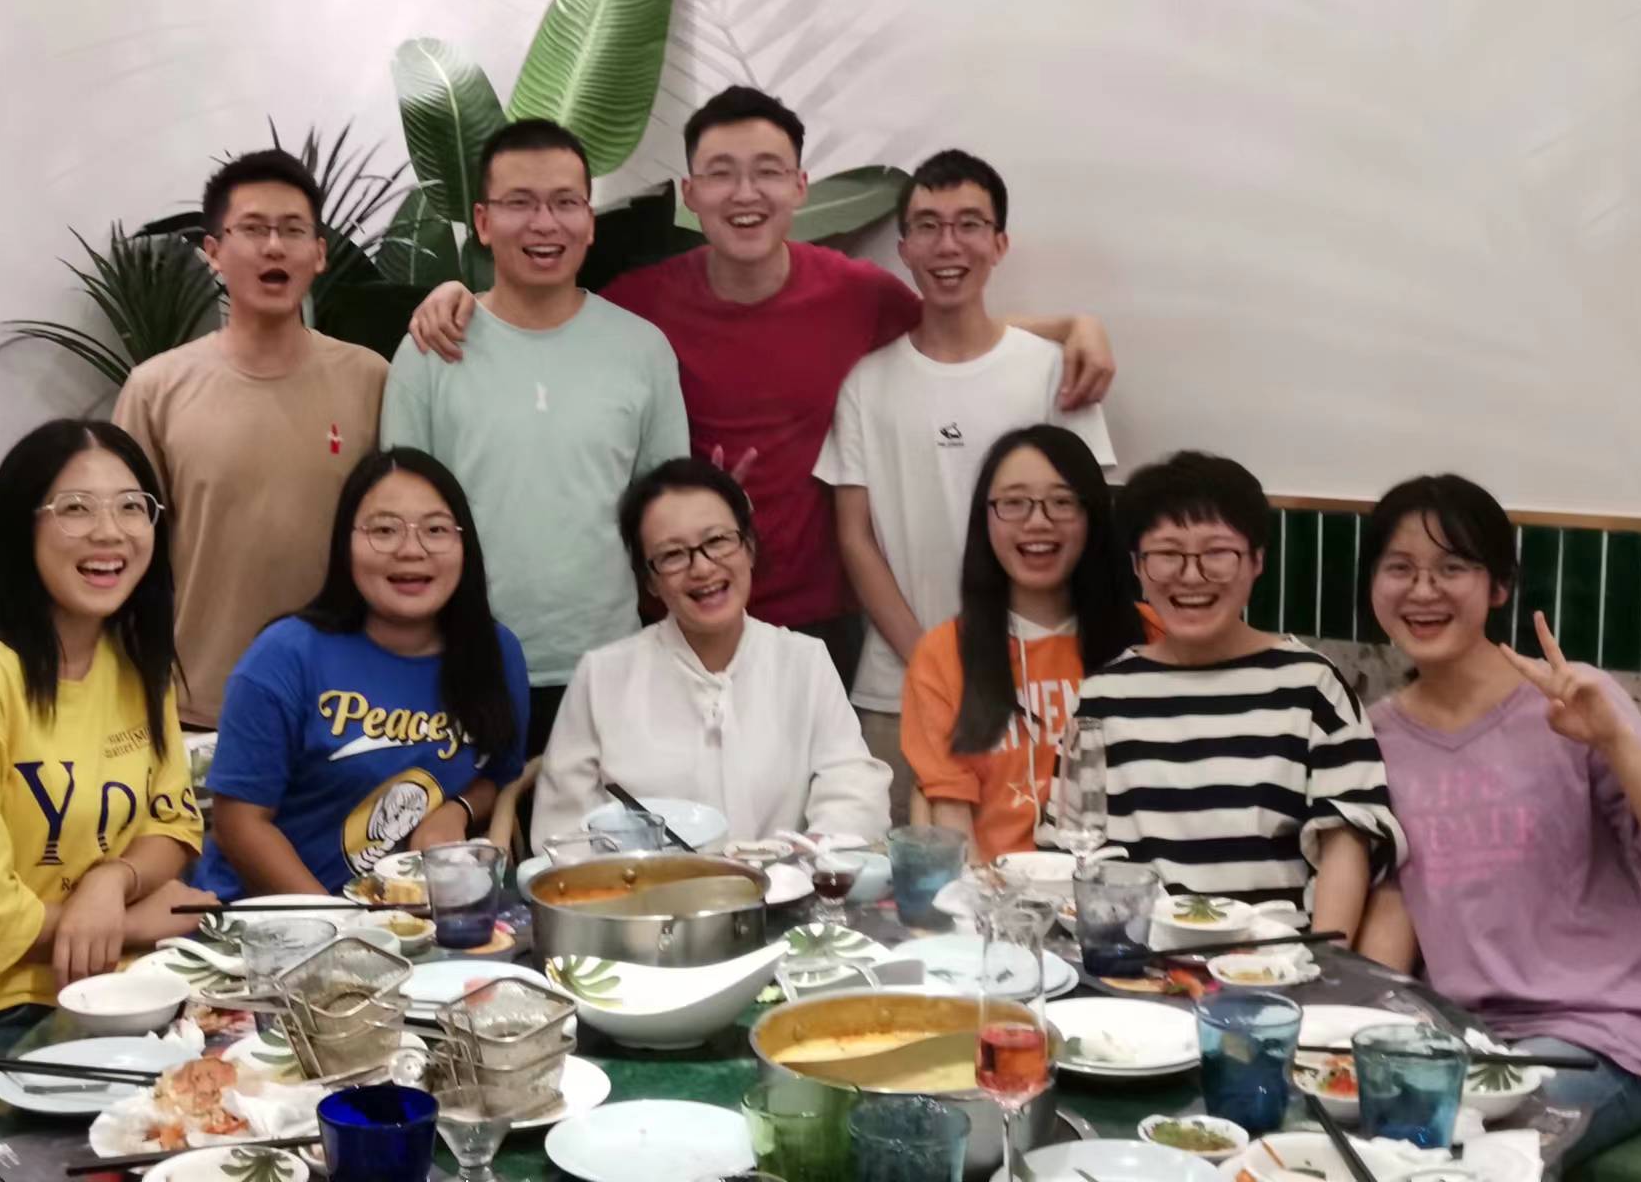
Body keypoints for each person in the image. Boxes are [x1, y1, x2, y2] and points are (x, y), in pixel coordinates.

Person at [405, 87, 1119, 686]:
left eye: (768, 172)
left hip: (823, 619)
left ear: (800, 187)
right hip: (676, 617)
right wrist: (458, 297)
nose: (745, 194)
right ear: (690, 194)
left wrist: (1072, 326)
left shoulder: (856, 295)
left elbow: (955, 330)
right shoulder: (638, 311)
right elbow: (544, 323)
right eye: (720, 174)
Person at [1351, 474, 1641, 1165]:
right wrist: (1356, 1035)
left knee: (1481, 1161)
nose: (1423, 591)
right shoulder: (1374, 736)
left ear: (1498, 586)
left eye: (1452, 568)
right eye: (1399, 568)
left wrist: (1613, 741)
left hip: (1599, 1036)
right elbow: (1395, 905)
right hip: (1460, 1041)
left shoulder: (1572, 703)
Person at [0, 420, 214, 1181]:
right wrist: (134, 921)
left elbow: (173, 822)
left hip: (140, 1010)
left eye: (131, 507)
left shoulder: (138, 664)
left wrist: (111, 881)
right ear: (20, 528)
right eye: (75, 509)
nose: (110, 532)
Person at [816, 150, 1116, 824]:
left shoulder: (1051, 371)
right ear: (903, 249)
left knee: (1042, 871)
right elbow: (855, 536)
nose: (948, 244)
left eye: (970, 224)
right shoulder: (866, 382)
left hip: (1039, 689)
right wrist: (933, 661)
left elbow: (1085, 525)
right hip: (897, 690)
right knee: (907, 878)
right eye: (927, 226)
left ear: (999, 243)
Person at [380, 118, 686, 752]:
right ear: (483, 221)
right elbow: (396, 521)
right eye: (519, 203)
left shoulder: (642, 349)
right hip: (462, 666)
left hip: (608, 667)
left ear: (590, 220)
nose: (545, 224)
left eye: (566, 203)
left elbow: (666, 517)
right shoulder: (431, 350)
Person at [1072, 451, 1402, 935]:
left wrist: (1325, 962)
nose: (1191, 575)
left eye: (1217, 553)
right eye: (1167, 554)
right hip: (1136, 955)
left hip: (1274, 958)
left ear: (1257, 561)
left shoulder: (1310, 685)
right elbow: (1076, 848)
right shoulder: (1104, 695)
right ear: (1138, 567)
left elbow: (1347, 842)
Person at [115, 148, 389, 729]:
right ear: (213, 252)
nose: (273, 246)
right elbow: (126, 554)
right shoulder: (155, 389)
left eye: (293, 230)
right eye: (253, 229)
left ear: (319, 253)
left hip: (347, 702)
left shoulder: (372, 379)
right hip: (202, 703)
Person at [191, 448, 530, 897]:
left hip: (415, 918)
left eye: (435, 530)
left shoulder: (495, 652)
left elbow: (499, 773)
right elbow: (240, 824)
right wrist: (336, 922)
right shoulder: (283, 657)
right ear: (344, 544)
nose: (411, 550)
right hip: (277, 917)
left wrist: (458, 809)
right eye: (384, 530)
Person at [530, 458, 891, 844]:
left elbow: (853, 791)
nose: (702, 568)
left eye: (717, 541)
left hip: (785, 878)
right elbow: (561, 833)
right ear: (649, 581)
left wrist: (813, 850)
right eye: (672, 554)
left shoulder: (804, 662)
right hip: (641, 882)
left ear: (749, 547)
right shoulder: (602, 677)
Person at [900, 426, 1143, 859]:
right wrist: (988, 895)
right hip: (999, 889)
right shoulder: (944, 652)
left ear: (1093, 515)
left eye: (1062, 502)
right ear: (985, 518)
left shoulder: (1148, 636)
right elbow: (950, 815)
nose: (1038, 521)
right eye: (1013, 503)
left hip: (1126, 887)